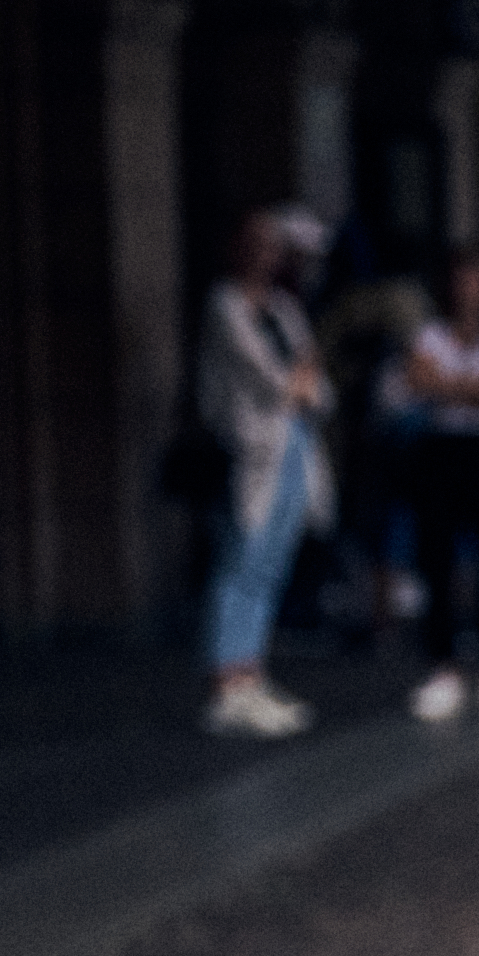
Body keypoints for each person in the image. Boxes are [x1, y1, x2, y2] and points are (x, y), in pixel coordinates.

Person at [197, 203, 334, 739]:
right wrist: (296, 383)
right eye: (255, 242)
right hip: (251, 450)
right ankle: (225, 682)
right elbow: (270, 377)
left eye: (272, 245)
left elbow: (316, 382)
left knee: (271, 562)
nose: (265, 254)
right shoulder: (225, 304)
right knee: (241, 557)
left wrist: (300, 383)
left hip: (293, 448)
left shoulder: (283, 307)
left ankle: (251, 673)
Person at [401, 241, 479, 723]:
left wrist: (449, 386)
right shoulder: (431, 332)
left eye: (474, 278)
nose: (466, 288)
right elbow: (416, 382)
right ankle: (444, 666)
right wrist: (472, 388)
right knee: (437, 556)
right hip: (440, 451)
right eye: (459, 278)